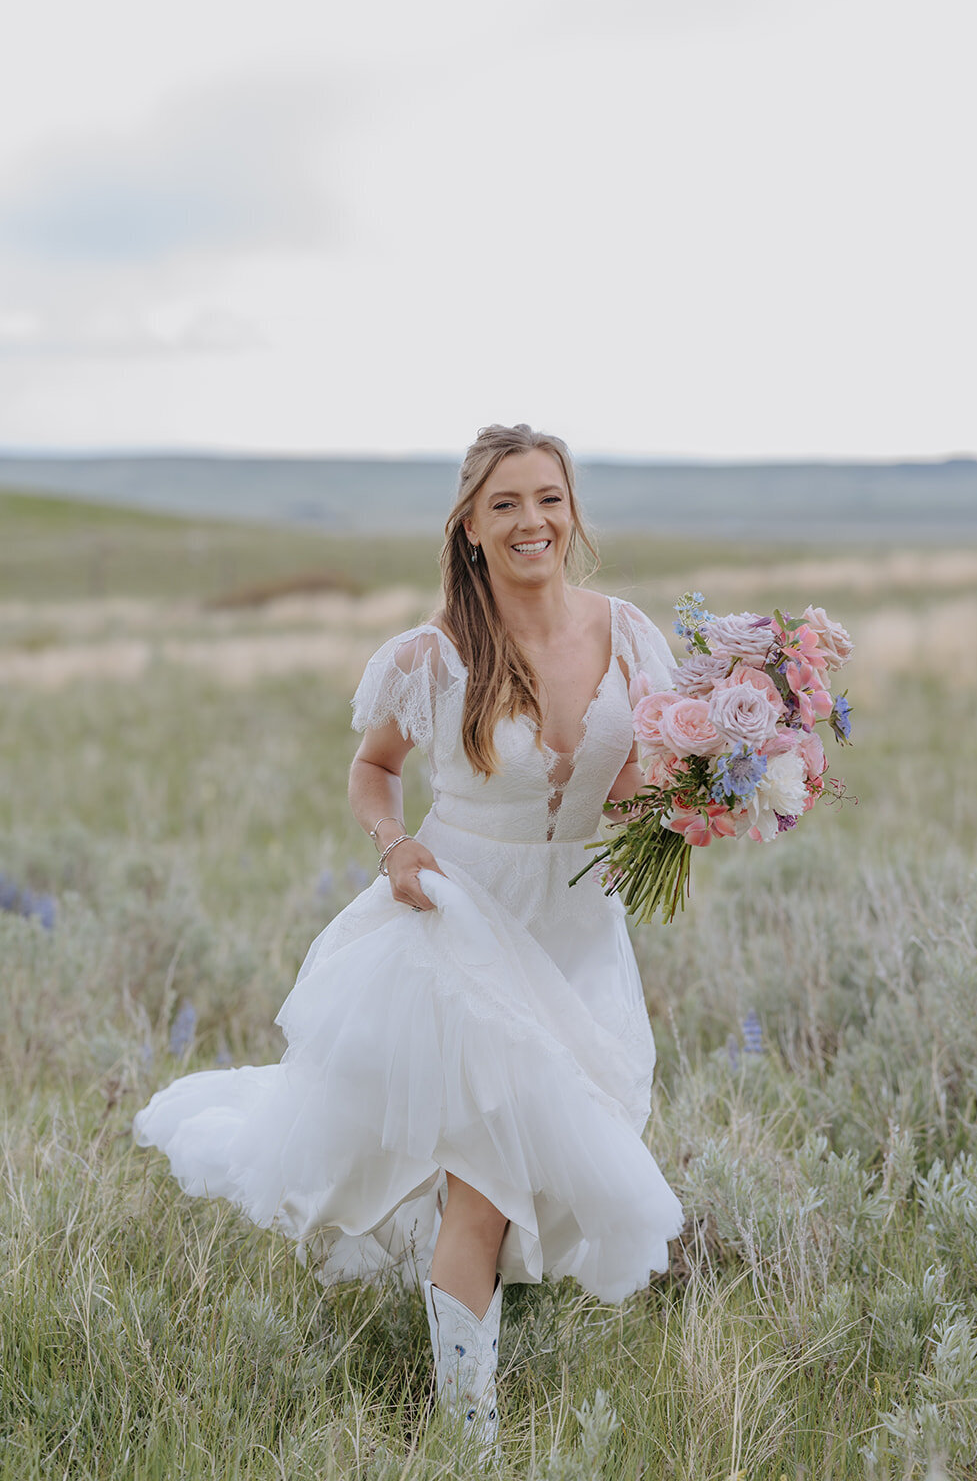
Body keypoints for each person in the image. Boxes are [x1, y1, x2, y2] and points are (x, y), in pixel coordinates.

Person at [133, 423, 684, 1458]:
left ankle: (435, 1305)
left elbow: (628, 777)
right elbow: (372, 770)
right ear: (470, 528)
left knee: (522, 1181)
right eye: (507, 504)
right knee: (483, 1194)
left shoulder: (631, 633)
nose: (533, 521)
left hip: (576, 933)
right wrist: (392, 846)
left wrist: (706, 794)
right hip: (456, 926)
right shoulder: (432, 656)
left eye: (549, 499)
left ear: (573, 513)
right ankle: (468, 1443)